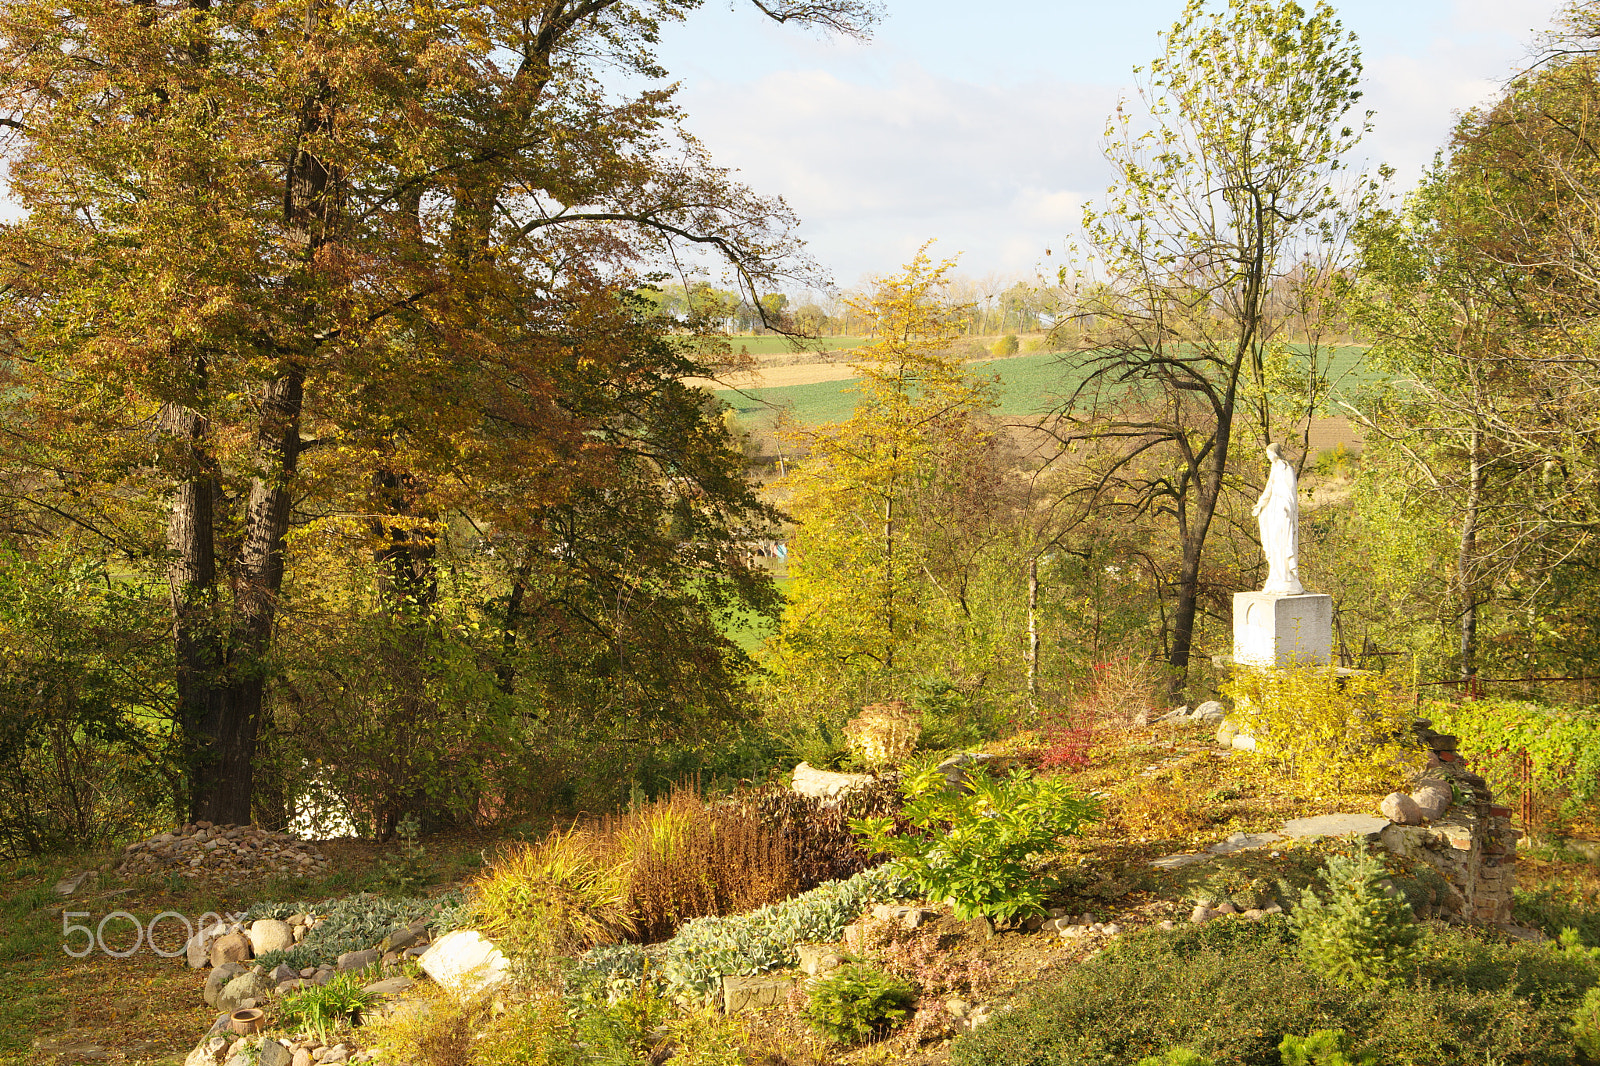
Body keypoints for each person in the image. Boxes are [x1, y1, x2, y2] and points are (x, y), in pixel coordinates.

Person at [1252, 442, 1304, 595]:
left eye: (1269, 453)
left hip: (1283, 509)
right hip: (1273, 509)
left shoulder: (1286, 469)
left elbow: (1290, 491)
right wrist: (1260, 504)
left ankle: (1286, 576)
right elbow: (1269, 488)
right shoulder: (1274, 469)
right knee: (1274, 542)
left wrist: (1286, 507)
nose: (1268, 456)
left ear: (1275, 453)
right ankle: (1276, 575)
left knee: (1283, 541)